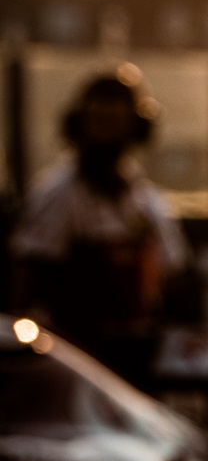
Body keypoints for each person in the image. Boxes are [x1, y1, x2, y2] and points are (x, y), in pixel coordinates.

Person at [11, 73, 190, 381]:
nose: (107, 134)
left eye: (116, 122)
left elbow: (173, 268)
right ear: (79, 126)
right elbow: (27, 279)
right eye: (99, 121)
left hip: (137, 352)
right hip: (74, 354)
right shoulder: (58, 195)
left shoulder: (146, 201)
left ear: (135, 128)